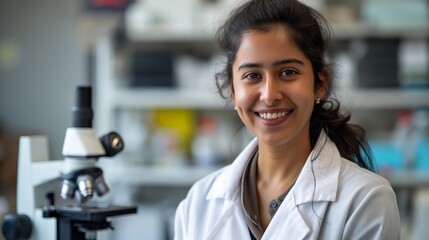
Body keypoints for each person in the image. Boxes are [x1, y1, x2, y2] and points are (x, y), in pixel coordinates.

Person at [174, 0, 401, 239]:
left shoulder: (365, 200)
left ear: (320, 83)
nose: (270, 94)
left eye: (288, 72)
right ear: (232, 90)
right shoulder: (197, 203)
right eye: (252, 76)